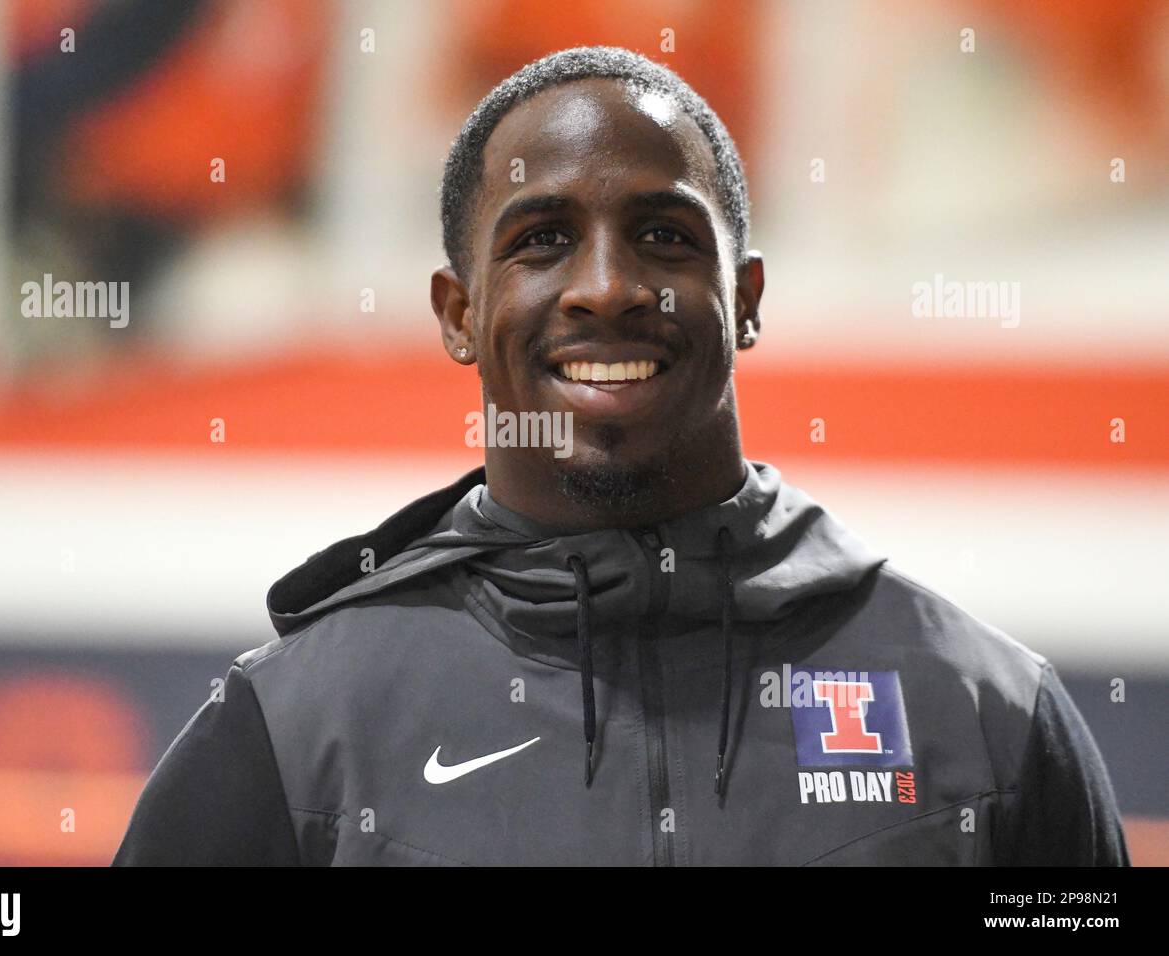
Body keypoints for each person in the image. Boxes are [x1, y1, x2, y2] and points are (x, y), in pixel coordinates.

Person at [113, 46, 1129, 866]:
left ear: (748, 301)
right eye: (543, 239)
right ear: (459, 312)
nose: (606, 286)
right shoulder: (291, 730)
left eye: (663, 235)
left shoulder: (987, 714)